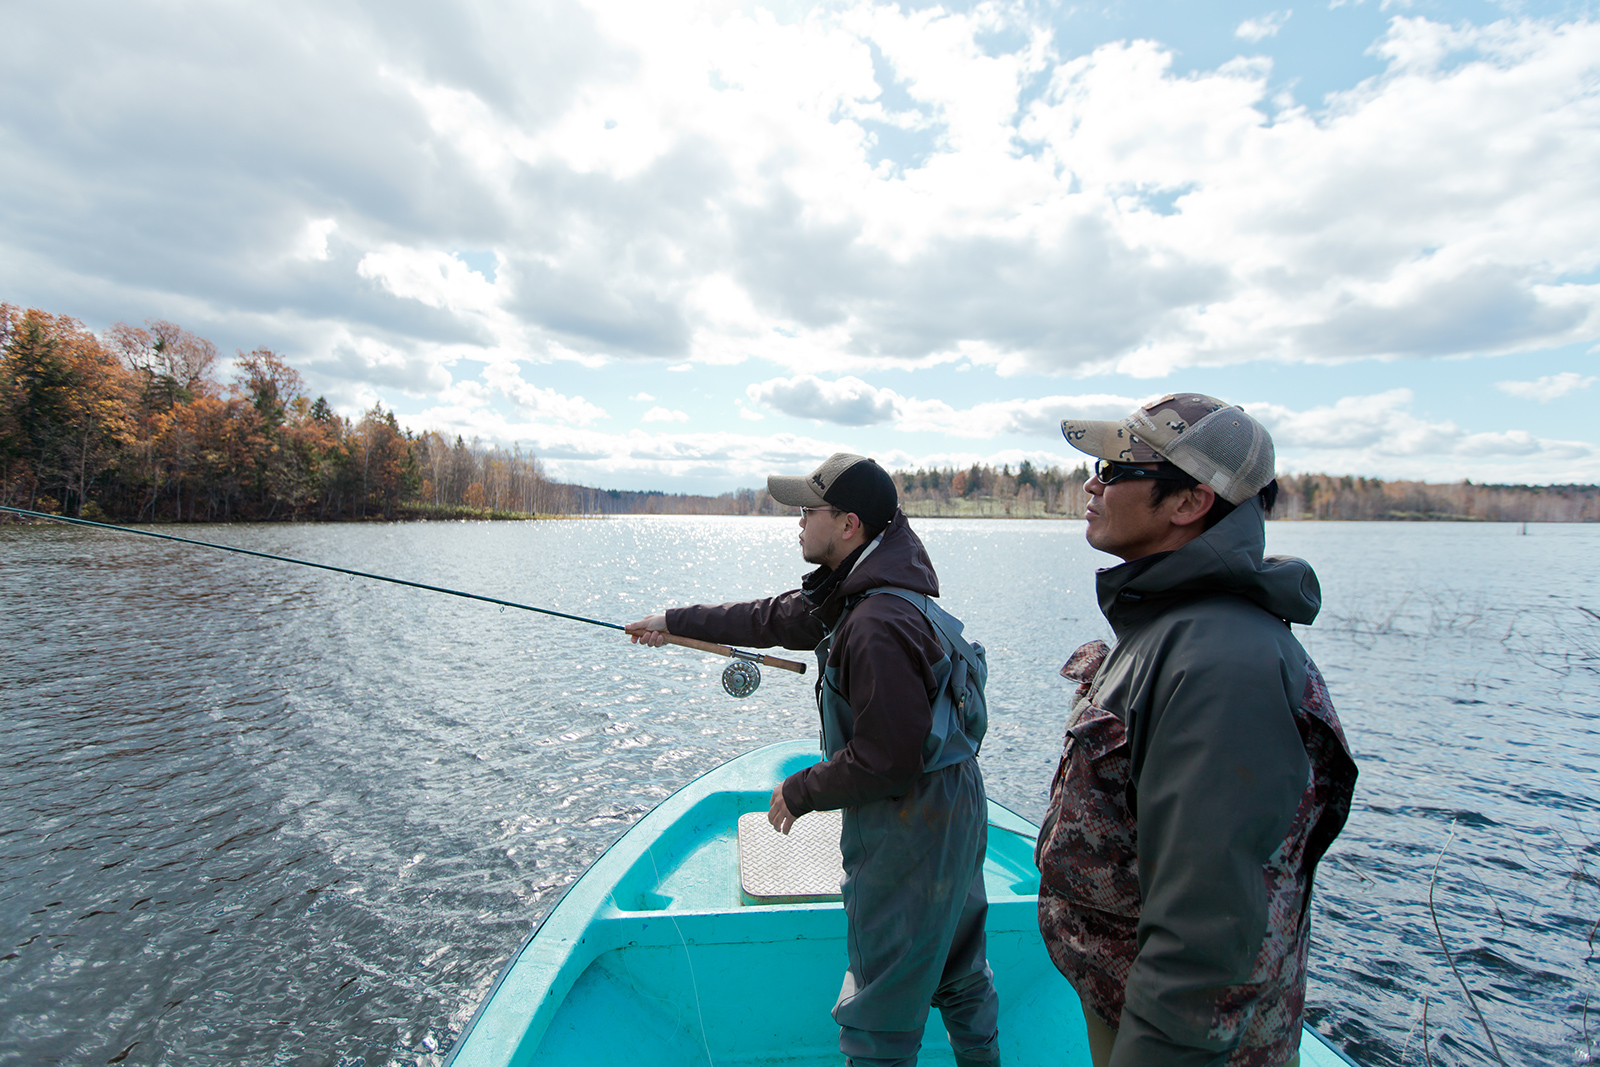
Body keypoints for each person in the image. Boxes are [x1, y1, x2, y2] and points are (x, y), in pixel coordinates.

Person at [626, 453, 1001, 1067]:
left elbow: (887, 760)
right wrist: (672, 621)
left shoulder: (876, 621)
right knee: (960, 970)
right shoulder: (871, 590)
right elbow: (771, 618)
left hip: (910, 822)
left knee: (879, 1005)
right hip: (953, 803)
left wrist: (801, 791)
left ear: (848, 524)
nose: (797, 523)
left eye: (808, 511)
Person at [1038, 394, 1358, 1067]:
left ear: (1189, 502)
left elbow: (1205, 939)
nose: (1091, 484)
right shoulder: (1171, 627)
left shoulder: (1220, 661)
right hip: (1123, 1003)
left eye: (1115, 468)